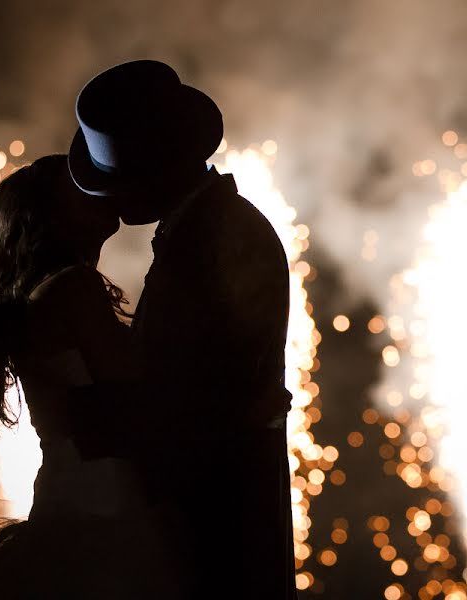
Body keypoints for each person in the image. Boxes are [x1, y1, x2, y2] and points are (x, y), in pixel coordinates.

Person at [66, 60, 296, 598]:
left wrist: (77, 412)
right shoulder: (210, 231)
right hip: (220, 520)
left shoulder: (213, 244)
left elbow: (205, 403)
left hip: (219, 531)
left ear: (150, 176)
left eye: (118, 182)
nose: (111, 199)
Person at [0, 155, 177, 599]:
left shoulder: (48, 292)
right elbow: (135, 392)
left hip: (76, 500)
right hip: (100, 511)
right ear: (53, 214)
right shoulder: (73, 288)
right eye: (76, 189)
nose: (94, 192)